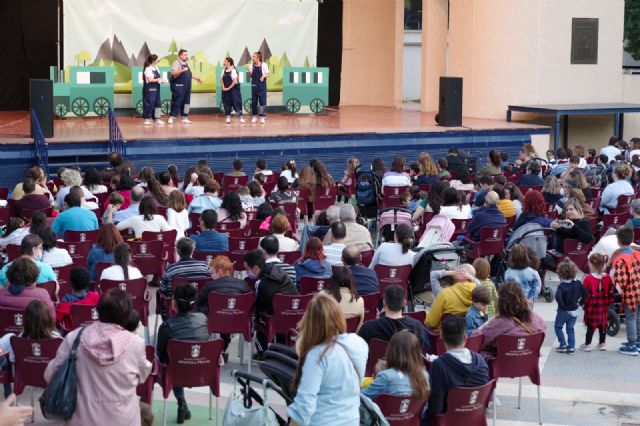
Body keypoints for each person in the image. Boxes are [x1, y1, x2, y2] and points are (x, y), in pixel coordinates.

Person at [45, 288, 152, 425]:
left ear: (98, 312)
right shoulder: (136, 344)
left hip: (80, 420)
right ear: (127, 316)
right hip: (122, 419)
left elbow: (50, 374)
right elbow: (143, 375)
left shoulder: (74, 338)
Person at [156, 284, 208, 423]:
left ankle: (181, 401)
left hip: (177, 371)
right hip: (203, 370)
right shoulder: (203, 319)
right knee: (178, 361)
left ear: (174, 302)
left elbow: (160, 355)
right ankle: (183, 404)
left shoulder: (167, 326)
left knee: (169, 363)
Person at [428, 316, 489, 416]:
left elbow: (435, 409)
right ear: (465, 337)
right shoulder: (481, 361)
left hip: (448, 420)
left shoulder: (439, 365)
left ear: (442, 336)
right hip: (474, 419)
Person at [0, 300, 61, 396]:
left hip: (24, 376)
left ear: (26, 320)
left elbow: (12, 359)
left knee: (8, 339)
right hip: (50, 376)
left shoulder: (18, 339)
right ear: (48, 318)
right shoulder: (58, 339)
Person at [471, 281, 546, 357]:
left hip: (500, 366)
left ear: (501, 301)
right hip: (528, 364)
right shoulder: (538, 320)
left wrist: (486, 323)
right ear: (523, 298)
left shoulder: (498, 322)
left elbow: (475, 340)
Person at [244, 249, 298, 354]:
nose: (247, 272)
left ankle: (262, 352)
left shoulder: (261, 283)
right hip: (293, 313)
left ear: (255, 268)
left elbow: (259, 305)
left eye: (247, 269)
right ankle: (282, 349)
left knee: (258, 316)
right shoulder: (277, 270)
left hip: (275, 317)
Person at [362, 330, 430, 402]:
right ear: (417, 353)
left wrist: (378, 376)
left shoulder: (385, 376)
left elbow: (360, 398)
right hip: (413, 413)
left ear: (391, 350)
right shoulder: (424, 375)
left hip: (382, 413)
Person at [358, 285, 427, 348]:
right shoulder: (416, 326)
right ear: (404, 303)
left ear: (384, 302)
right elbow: (419, 353)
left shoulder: (368, 327)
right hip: (407, 361)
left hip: (377, 361)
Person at [611, 227, 640, 355]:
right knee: (639, 317)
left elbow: (620, 280)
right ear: (632, 239)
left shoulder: (619, 259)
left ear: (618, 241)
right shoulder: (638, 254)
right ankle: (638, 341)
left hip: (631, 293)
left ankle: (631, 345)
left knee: (630, 318)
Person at [579, 253, 613, 353]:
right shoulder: (607, 277)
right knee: (603, 324)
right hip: (603, 306)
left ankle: (588, 344)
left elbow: (584, 294)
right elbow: (610, 291)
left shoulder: (588, 278)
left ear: (592, 265)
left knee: (591, 325)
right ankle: (602, 343)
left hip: (592, 307)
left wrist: (582, 303)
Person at [425, 268, 476, 333]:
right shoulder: (476, 290)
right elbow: (480, 286)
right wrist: (471, 278)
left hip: (443, 335)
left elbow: (431, 323)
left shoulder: (444, 293)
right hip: (464, 334)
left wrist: (452, 272)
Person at [553, 259, 586, 355]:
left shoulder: (562, 286)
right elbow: (585, 293)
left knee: (558, 327)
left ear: (560, 273)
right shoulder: (578, 283)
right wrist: (581, 302)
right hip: (575, 310)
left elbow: (558, 296)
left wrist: (561, 305)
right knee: (570, 328)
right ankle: (571, 347)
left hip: (564, 311)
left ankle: (563, 344)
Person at [168, 49, 202, 124]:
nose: (186, 56)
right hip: (179, 86)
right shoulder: (176, 62)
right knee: (177, 101)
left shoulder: (186, 64)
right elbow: (174, 73)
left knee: (186, 101)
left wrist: (197, 79)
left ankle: (184, 117)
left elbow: (189, 74)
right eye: (185, 55)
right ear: (180, 55)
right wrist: (182, 70)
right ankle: (172, 117)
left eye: (187, 55)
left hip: (187, 86)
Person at [142, 54, 167, 125]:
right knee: (149, 103)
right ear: (153, 61)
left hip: (157, 88)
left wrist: (162, 80)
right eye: (157, 60)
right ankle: (146, 118)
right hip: (149, 89)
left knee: (157, 103)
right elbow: (150, 80)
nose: (157, 61)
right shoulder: (148, 69)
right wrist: (159, 79)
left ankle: (157, 118)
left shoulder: (156, 68)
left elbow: (156, 79)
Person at [220, 57, 245, 124]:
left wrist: (228, 88)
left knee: (236, 103)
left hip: (233, 90)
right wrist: (223, 87)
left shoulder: (233, 70)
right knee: (226, 103)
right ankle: (228, 117)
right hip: (225, 90)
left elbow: (234, 81)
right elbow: (221, 79)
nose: (224, 61)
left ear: (229, 62)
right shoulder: (223, 70)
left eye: (225, 61)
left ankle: (240, 117)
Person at [247, 51, 269, 124]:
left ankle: (262, 117)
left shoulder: (264, 65)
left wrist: (263, 76)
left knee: (262, 102)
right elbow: (250, 76)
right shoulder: (251, 66)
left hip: (262, 86)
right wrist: (249, 72)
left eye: (254, 56)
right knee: (254, 102)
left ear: (258, 58)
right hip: (254, 86)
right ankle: (254, 116)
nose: (252, 58)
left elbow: (267, 74)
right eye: (252, 56)